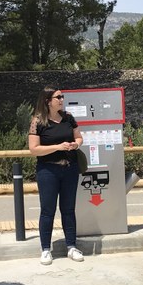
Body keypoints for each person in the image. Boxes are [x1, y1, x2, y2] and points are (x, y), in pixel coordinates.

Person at [28, 87, 85, 266]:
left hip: (70, 169)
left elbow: (79, 137)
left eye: (62, 97)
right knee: (47, 211)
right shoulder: (37, 121)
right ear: (47, 100)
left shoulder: (68, 117)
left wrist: (75, 145)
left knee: (68, 209)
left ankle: (71, 246)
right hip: (48, 170)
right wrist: (58, 147)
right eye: (58, 97)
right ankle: (45, 249)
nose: (61, 99)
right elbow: (33, 149)